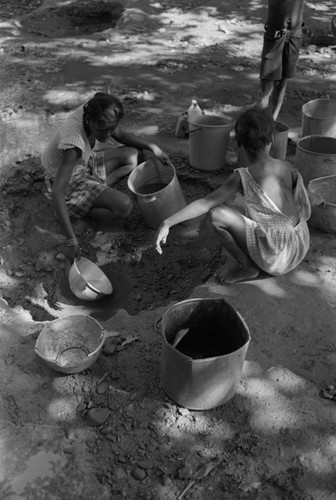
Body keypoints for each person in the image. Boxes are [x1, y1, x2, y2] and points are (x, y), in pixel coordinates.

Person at [155, 107, 311, 285]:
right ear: (272, 139)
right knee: (243, 204)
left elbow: (205, 203)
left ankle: (247, 267)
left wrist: (168, 222)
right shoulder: (286, 167)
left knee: (217, 214)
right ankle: (265, 246)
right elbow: (291, 202)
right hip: (299, 244)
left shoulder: (242, 176)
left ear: (240, 145)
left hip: (277, 258)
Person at [42, 92, 169, 261]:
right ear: (89, 120)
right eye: (103, 130)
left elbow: (120, 135)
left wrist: (153, 147)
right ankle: (80, 212)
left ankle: (97, 190)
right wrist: (72, 241)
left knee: (135, 155)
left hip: (84, 163)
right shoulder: (73, 143)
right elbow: (58, 192)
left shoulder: (95, 108)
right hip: (67, 181)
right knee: (124, 206)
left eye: (111, 128)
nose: (108, 135)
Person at [258, 0, 305, 120]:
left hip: (294, 34)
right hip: (275, 35)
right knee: (266, 88)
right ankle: (260, 126)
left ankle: (272, 122)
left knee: (282, 82)